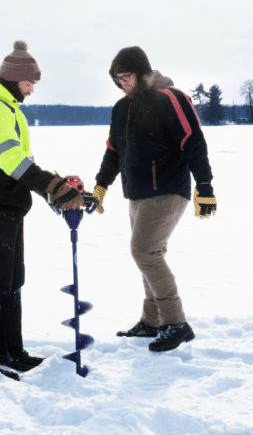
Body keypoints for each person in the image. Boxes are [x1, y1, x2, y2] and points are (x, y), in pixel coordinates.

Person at [0, 40, 84, 378]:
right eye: (29, 82)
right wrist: (54, 187)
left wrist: (51, 191)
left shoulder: (6, 107)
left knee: (10, 282)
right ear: (14, 79)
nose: (31, 90)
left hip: (4, 207)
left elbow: (19, 165)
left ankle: (9, 352)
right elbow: (11, 159)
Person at [91, 46, 217, 353]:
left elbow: (193, 140)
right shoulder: (122, 107)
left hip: (168, 189)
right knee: (151, 254)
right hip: (137, 193)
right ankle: (152, 321)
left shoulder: (171, 98)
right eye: (117, 79)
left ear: (142, 72)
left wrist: (204, 185)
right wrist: (101, 186)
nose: (122, 83)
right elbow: (113, 151)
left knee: (144, 252)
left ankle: (175, 322)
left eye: (126, 77)